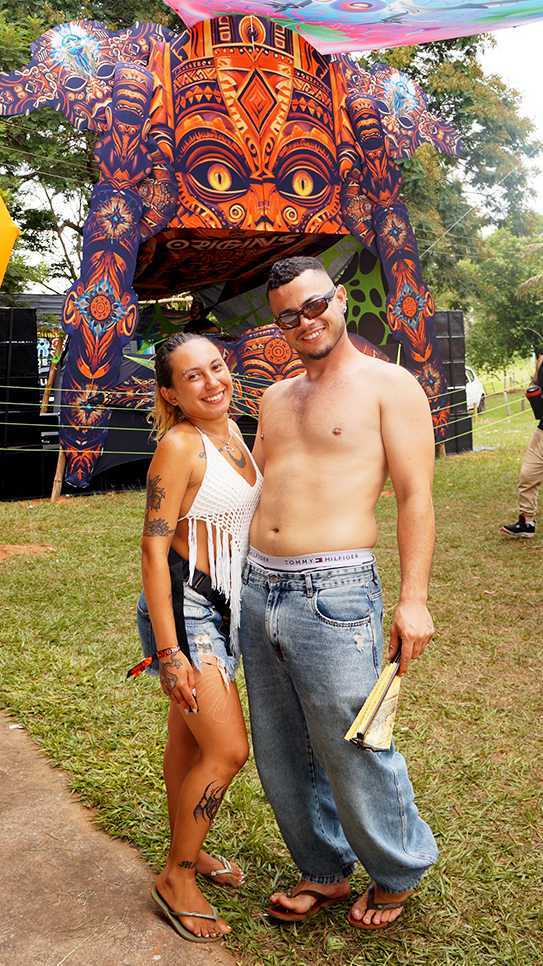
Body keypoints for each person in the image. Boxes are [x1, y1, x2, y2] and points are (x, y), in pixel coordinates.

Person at [239, 256, 439, 931]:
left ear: (341, 298)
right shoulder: (274, 398)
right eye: (287, 317)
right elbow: (254, 490)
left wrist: (413, 598)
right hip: (258, 585)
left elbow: (414, 496)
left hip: (335, 591)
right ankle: (322, 869)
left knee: (355, 742)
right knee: (280, 746)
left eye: (314, 304)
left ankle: (396, 870)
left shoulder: (389, 386)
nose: (305, 321)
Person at [134, 332, 262, 942]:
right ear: (171, 393)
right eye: (193, 377)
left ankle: (188, 849)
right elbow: (153, 550)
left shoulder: (234, 431)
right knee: (228, 751)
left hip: (224, 607)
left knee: (187, 741)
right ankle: (177, 878)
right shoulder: (180, 446)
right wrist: (169, 652)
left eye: (217, 367)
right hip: (188, 613)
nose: (213, 383)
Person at [501, 354, 543, 538]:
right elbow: (536, 382)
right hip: (542, 432)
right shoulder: (541, 360)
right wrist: (533, 392)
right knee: (528, 475)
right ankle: (527, 523)